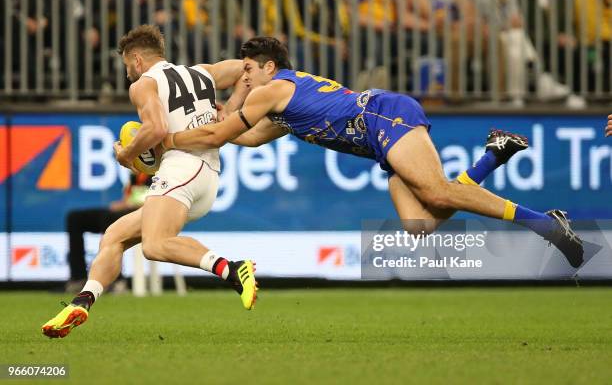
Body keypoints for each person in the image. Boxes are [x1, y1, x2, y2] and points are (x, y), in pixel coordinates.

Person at [164, 36, 584, 269]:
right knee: (420, 225)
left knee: (437, 193)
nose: (245, 75)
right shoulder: (279, 103)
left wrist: (174, 138)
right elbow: (249, 137)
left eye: (249, 68)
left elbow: (223, 134)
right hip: (379, 136)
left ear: (269, 67)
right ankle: (491, 156)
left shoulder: (272, 88)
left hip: (384, 115)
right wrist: (222, 119)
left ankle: (545, 224)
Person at [41, 25, 257, 339]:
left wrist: (127, 155)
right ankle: (82, 302)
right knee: (114, 235)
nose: (129, 74)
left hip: (182, 168)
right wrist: (232, 107)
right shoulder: (203, 72)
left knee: (154, 245)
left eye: (128, 67)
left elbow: (155, 128)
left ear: (138, 60)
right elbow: (247, 70)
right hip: (204, 175)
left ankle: (232, 268)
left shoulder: (144, 85)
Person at [64, 173, 151, 293]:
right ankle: (78, 278)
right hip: (128, 212)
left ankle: (115, 280)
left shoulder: (160, 171)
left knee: (109, 220)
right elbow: (128, 198)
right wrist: (125, 204)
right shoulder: (135, 174)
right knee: (75, 218)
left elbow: (160, 203)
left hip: (149, 215)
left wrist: (128, 205)